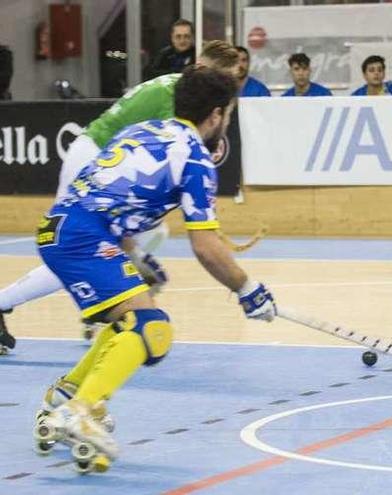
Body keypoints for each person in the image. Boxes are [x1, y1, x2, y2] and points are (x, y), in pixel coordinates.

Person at [32, 66, 277, 472]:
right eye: (228, 115)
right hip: (84, 238)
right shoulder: (196, 158)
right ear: (216, 115)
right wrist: (248, 289)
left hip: (59, 229)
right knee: (152, 329)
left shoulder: (144, 130)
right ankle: (81, 409)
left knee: (126, 320)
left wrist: (139, 258)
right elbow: (207, 248)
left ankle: (67, 397)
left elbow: (108, 196)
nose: (226, 123)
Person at [0, 40, 241, 350]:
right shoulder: (183, 100)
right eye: (228, 81)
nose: (230, 90)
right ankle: (12, 301)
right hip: (97, 156)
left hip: (102, 155)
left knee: (144, 237)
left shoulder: (179, 89)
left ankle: (104, 295)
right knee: (80, 245)